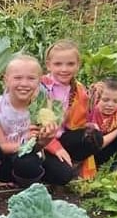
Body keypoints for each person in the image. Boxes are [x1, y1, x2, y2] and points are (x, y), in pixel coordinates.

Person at [0, 54, 73, 186]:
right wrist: (25, 143)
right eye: (17, 78)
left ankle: (28, 178)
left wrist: (44, 140)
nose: (24, 84)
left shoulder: (43, 106)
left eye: (31, 78)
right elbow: (2, 146)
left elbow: (40, 145)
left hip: (34, 153)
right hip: (6, 158)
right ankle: (12, 180)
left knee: (65, 175)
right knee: (24, 162)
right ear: (6, 80)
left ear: (39, 81)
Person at [41, 39, 104, 179]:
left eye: (70, 64)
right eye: (58, 64)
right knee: (63, 176)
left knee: (94, 136)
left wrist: (90, 120)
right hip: (41, 142)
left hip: (62, 137)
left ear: (78, 65)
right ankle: (51, 168)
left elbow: (77, 122)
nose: (64, 69)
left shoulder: (79, 89)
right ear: (48, 65)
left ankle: (71, 162)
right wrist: (55, 147)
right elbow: (33, 126)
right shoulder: (41, 87)